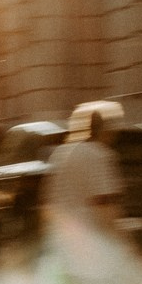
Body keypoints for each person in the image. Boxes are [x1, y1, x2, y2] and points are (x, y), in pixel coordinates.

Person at [42, 99, 126, 232]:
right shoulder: (99, 155)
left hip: (61, 233)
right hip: (90, 234)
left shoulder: (60, 153)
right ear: (104, 130)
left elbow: (49, 198)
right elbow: (104, 202)